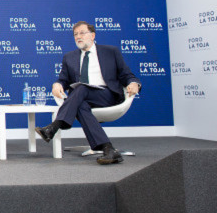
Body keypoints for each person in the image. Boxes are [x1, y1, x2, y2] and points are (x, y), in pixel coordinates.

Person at [35, 21, 140, 165]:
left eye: (82, 33)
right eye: (75, 34)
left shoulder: (110, 51)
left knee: (80, 89)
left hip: (107, 95)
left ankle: (55, 126)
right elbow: (63, 80)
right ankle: (108, 149)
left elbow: (126, 75)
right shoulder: (69, 57)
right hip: (81, 98)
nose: (78, 36)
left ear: (92, 35)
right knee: (81, 104)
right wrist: (57, 84)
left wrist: (134, 83)